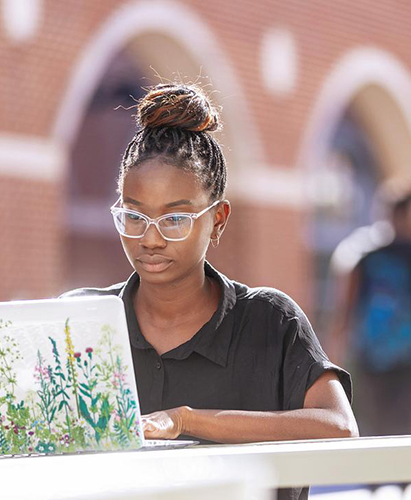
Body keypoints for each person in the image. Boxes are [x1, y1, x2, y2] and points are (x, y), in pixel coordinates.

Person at [63, 83, 358, 500]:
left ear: (217, 219)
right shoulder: (80, 320)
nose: (150, 239)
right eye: (133, 215)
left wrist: (186, 421)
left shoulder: (269, 321)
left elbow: (339, 429)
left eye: (175, 219)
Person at [328, 184, 411, 436]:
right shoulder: (367, 257)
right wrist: (335, 354)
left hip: (404, 361)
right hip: (374, 360)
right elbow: (346, 307)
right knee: (381, 428)